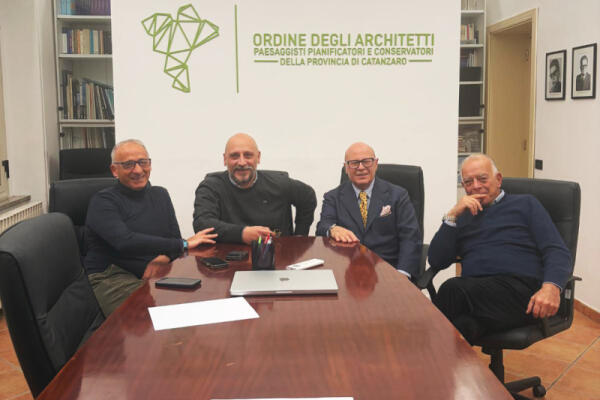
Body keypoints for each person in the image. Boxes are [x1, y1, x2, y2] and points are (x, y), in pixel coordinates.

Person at [428, 154, 572, 344]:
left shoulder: (526, 204)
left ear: (498, 179)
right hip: (478, 295)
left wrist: (551, 287)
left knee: (451, 289)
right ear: (464, 187)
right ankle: (435, 359)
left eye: (482, 179)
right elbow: (437, 260)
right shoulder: (462, 216)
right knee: (463, 327)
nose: (476, 186)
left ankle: (419, 352)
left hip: (522, 293)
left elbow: (556, 249)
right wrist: (452, 215)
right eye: (469, 182)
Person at [84, 139, 217, 316]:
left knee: (197, 302)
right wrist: (182, 245)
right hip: (114, 274)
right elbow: (124, 241)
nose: (138, 170)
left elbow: (173, 237)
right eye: (129, 164)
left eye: (143, 162)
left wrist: (162, 257)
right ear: (114, 170)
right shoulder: (102, 201)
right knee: (149, 319)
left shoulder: (160, 194)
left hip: (156, 269)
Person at [315, 142, 421, 277]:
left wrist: (402, 274)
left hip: (387, 270)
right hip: (347, 270)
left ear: (376, 163)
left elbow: (410, 237)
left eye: (366, 161)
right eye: (354, 163)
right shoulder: (333, 197)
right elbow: (322, 227)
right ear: (346, 167)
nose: (361, 167)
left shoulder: (398, 195)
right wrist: (332, 229)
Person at [193, 133, 317, 244]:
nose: (242, 162)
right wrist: (242, 234)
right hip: (226, 257)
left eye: (248, 155)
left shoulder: (280, 183)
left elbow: (308, 197)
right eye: (235, 156)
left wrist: (299, 239)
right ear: (225, 159)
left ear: (258, 157)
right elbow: (202, 224)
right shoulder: (211, 187)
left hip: (276, 255)